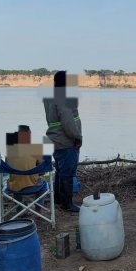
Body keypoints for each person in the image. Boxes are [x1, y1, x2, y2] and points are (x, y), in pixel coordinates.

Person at [43, 71, 82, 212]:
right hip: (66, 141)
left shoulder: (49, 96)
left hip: (54, 139)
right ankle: (67, 204)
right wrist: (77, 137)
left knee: (60, 171)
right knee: (68, 172)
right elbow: (68, 122)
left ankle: (58, 199)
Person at [5, 126, 46, 208]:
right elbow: (42, 171)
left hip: (13, 187)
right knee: (44, 184)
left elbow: (8, 169)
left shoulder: (10, 150)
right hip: (32, 187)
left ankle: (20, 210)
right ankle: (39, 209)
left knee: (16, 179)